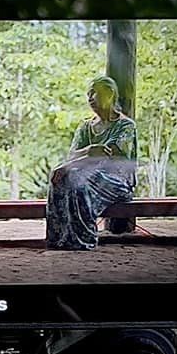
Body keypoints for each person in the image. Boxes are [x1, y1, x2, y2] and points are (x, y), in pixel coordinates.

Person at [46, 76, 138, 251]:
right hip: (87, 174)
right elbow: (73, 154)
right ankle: (58, 238)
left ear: (110, 94)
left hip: (117, 181)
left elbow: (106, 155)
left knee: (76, 176)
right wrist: (88, 151)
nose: (89, 98)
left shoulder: (125, 125)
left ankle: (83, 238)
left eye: (94, 93)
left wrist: (77, 161)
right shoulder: (85, 127)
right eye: (88, 94)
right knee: (58, 177)